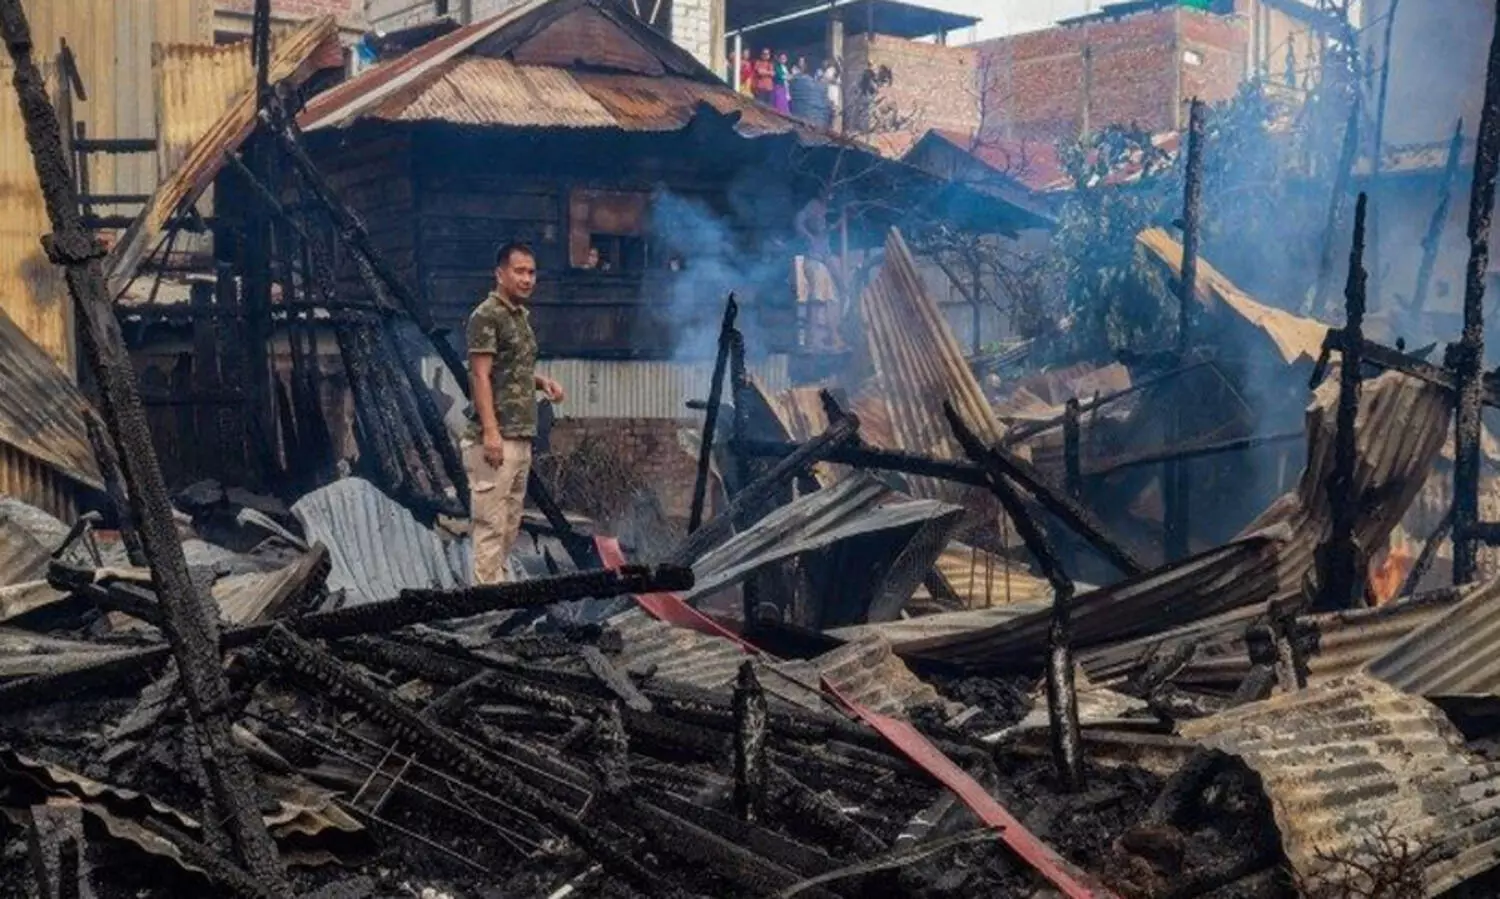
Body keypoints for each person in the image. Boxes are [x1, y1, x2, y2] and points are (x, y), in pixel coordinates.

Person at [464, 241, 565, 584]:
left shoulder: (520, 317)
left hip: (521, 435)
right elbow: (480, 374)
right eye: (519, 271)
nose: (527, 279)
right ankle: (486, 607)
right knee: (490, 526)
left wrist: (541, 382)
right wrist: (490, 432)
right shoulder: (486, 315)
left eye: (531, 272)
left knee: (509, 525)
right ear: (500, 274)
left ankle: (499, 595)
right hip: (495, 438)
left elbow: (512, 369)